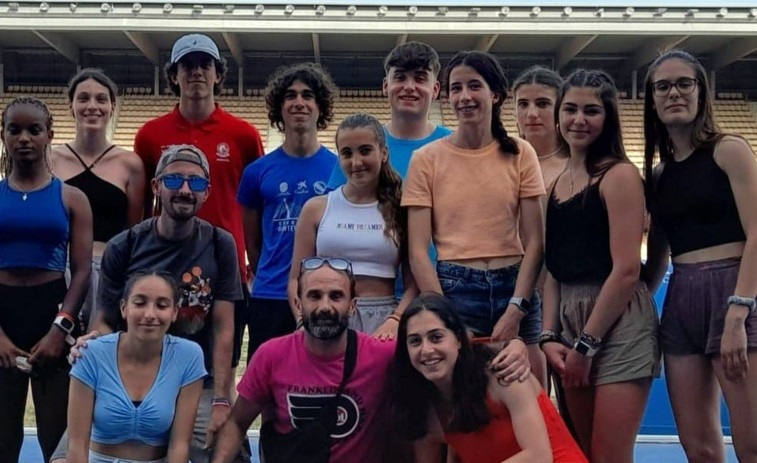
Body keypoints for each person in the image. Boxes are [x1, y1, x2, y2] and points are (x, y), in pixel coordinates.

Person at [212, 257, 532, 463]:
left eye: (336, 296)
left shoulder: (382, 354)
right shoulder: (271, 355)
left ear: (352, 306)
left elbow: (450, 350)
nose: (325, 306)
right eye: (315, 296)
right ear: (298, 302)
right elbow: (238, 423)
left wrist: (515, 344)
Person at [58, 144, 245, 463]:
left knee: (226, 450)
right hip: (131, 368)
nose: (185, 190)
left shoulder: (219, 243)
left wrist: (222, 400)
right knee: (65, 456)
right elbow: (104, 319)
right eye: (174, 181)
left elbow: (224, 328)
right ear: (157, 186)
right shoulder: (126, 244)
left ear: (206, 193)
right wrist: (91, 344)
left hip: (199, 378)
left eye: (195, 183)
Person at [402, 50, 547, 385]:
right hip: (454, 289)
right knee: (467, 406)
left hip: (515, 285)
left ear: (494, 94)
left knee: (535, 397)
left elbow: (535, 240)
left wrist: (517, 308)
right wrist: (445, 318)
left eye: (474, 86)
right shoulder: (426, 159)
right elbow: (418, 251)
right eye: (456, 88)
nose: (464, 97)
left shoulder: (521, 153)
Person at [539, 69, 660, 463]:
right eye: (570, 109)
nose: (579, 119)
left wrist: (585, 345)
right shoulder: (558, 183)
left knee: (609, 456)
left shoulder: (620, 175)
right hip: (569, 318)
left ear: (607, 118)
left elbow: (626, 270)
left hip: (616, 321)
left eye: (591, 111)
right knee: (582, 453)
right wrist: (548, 335)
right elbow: (554, 269)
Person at [643, 50, 757, 463]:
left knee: (752, 444)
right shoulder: (657, 176)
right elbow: (655, 262)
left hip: (734, 292)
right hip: (681, 302)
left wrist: (739, 311)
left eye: (683, 83)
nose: (674, 92)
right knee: (700, 448)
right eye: (663, 86)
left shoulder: (730, 150)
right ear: (652, 99)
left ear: (701, 92)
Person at [0, 96, 92, 463]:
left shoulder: (72, 197)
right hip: (3, 315)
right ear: (4, 136)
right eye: (15, 129)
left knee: (57, 432)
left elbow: (83, 271)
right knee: (3, 436)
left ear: (49, 135)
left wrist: (60, 329)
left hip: (52, 312)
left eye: (34, 130)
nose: (24, 138)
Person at [134, 33, 264, 287]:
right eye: (187, 65)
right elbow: (143, 208)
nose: (197, 72)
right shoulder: (149, 135)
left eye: (205, 65)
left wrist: (256, 262)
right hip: (164, 263)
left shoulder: (244, 135)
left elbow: (258, 207)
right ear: (174, 75)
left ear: (217, 75)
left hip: (226, 263)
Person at [394, 292, 587, 463]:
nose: (426, 350)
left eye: (436, 337)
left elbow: (539, 457)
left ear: (459, 339)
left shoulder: (504, 372)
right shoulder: (427, 410)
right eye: (415, 341)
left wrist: (517, 342)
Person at [237, 62, 337, 359]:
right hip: (270, 295)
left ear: (320, 108)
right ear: (279, 108)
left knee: (322, 379)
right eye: (290, 95)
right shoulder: (257, 172)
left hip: (323, 295)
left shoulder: (337, 169)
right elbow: (253, 243)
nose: (299, 102)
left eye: (308, 95)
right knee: (268, 385)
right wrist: (269, 274)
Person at [289, 113, 415, 339]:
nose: (356, 162)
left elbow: (414, 284)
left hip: (383, 320)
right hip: (326, 315)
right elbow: (295, 279)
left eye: (365, 150)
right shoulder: (316, 209)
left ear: (383, 153)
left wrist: (395, 320)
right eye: (347, 153)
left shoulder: (401, 208)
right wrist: (302, 323)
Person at [67, 271, 206, 463]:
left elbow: (180, 445)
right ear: (124, 308)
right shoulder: (90, 354)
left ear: (174, 312)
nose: (150, 314)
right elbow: (76, 445)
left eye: (162, 305)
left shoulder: (189, 356)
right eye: (140, 303)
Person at [51, 68, 145, 330]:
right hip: (60, 272)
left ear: (112, 106)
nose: (92, 106)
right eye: (83, 98)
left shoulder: (130, 164)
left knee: (99, 352)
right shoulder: (52, 159)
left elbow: (132, 230)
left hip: (108, 272)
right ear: (71, 105)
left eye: (101, 99)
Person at [327, 41, 451, 188]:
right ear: (386, 86)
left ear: (435, 89)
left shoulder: (454, 145)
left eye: (420, 78)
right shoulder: (361, 144)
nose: (409, 87)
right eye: (400, 77)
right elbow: (336, 205)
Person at [512, 65, 569, 188]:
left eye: (542, 104)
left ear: (560, 108)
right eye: (523, 104)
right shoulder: (501, 161)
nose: (531, 113)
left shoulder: (580, 165)